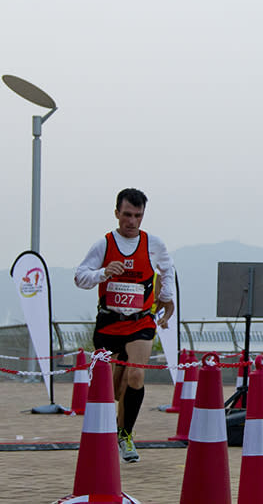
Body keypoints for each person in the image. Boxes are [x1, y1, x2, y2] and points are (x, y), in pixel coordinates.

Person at [75, 188, 175, 463]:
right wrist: (103, 273)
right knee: (109, 387)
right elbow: (80, 277)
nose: (132, 221)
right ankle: (106, 433)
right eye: (127, 215)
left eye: (138, 216)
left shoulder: (154, 244)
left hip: (140, 320)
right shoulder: (104, 245)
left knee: (136, 377)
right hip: (109, 321)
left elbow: (168, 269)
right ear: (117, 213)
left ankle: (126, 435)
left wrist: (166, 300)